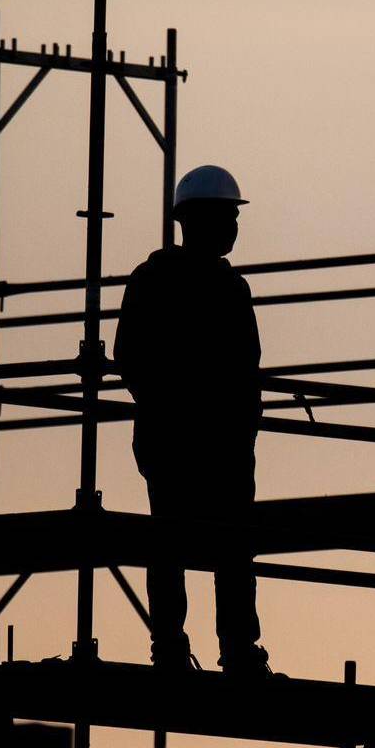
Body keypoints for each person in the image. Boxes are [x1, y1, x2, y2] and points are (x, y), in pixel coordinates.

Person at [113, 164, 272, 677]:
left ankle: (176, 648)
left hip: (178, 441)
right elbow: (246, 368)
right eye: (228, 216)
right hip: (206, 443)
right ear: (201, 220)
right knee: (225, 547)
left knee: (175, 545)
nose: (234, 227)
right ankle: (235, 651)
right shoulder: (220, 289)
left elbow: (128, 358)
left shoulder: (154, 280)